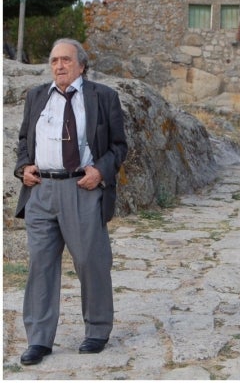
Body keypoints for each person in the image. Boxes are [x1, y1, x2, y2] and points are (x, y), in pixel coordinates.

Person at [13, 38, 128, 365]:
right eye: (53, 61)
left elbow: (119, 146)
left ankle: (97, 329)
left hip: (82, 188)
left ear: (81, 64)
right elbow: (24, 140)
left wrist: (100, 171)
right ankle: (39, 338)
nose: (59, 66)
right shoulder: (36, 96)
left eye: (65, 60)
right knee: (40, 265)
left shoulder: (103, 97)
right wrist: (24, 168)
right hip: (41, 191)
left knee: (91, 261)